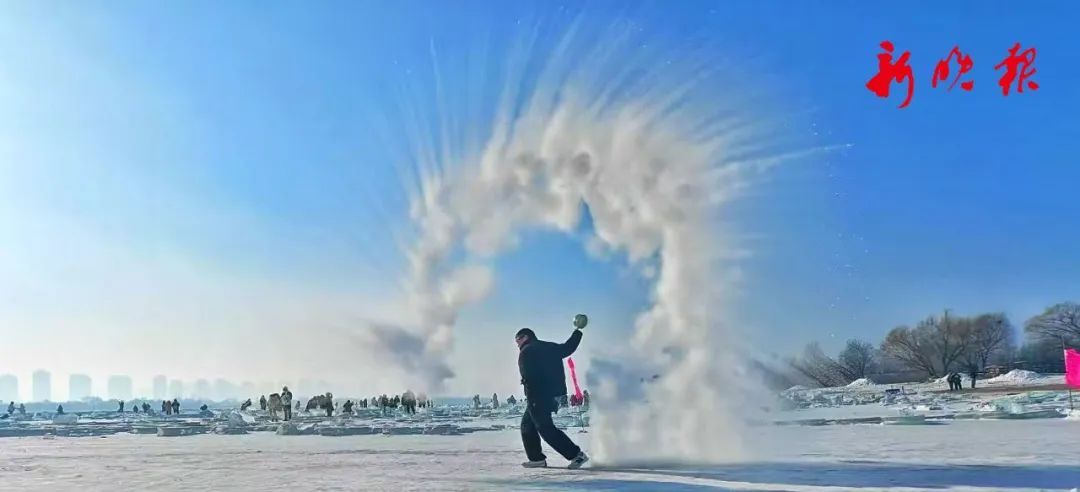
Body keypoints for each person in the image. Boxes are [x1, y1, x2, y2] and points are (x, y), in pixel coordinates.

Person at [515, 316, 589, 469]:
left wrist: (531, 395)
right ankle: (536, 459)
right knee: (527, 426)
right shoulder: (548, 346)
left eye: (518, 339)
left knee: (545, 428)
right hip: (553, 395)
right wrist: (577, 332)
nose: (517, 343)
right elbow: (568, 348)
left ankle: (577, 455)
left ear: (526, 337)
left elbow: (529, 377)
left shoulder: (527, 351)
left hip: (538, 396)